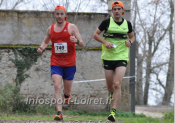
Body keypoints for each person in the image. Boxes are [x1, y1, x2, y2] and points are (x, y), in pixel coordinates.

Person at [37, 5, 84, 121]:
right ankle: (59, 113)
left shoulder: (72, 27)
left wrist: (76, 41)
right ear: (54, 15)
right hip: (56, 62)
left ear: (65, 15)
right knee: (57, 85)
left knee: (67, 91)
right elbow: (46, 41)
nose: (59, 16)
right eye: (57, 14)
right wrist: (41, 48)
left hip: (69, 63)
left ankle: (67, 96)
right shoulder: (50, 29)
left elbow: (82, 43)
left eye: (61, 14)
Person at [93, 1, 135, 122]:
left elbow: (132, 37)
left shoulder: (127, 24)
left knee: (117, 84)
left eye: (118, 9)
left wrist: (130, 42)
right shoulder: (106, 22)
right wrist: (105, 42)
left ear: (122, 11)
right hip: (108, 57)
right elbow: (95, 35)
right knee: (110, 87)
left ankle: (113, 112)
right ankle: (111, 94)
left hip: (122, 56)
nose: (116, 11)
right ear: (112, 11)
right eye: (114, 9)